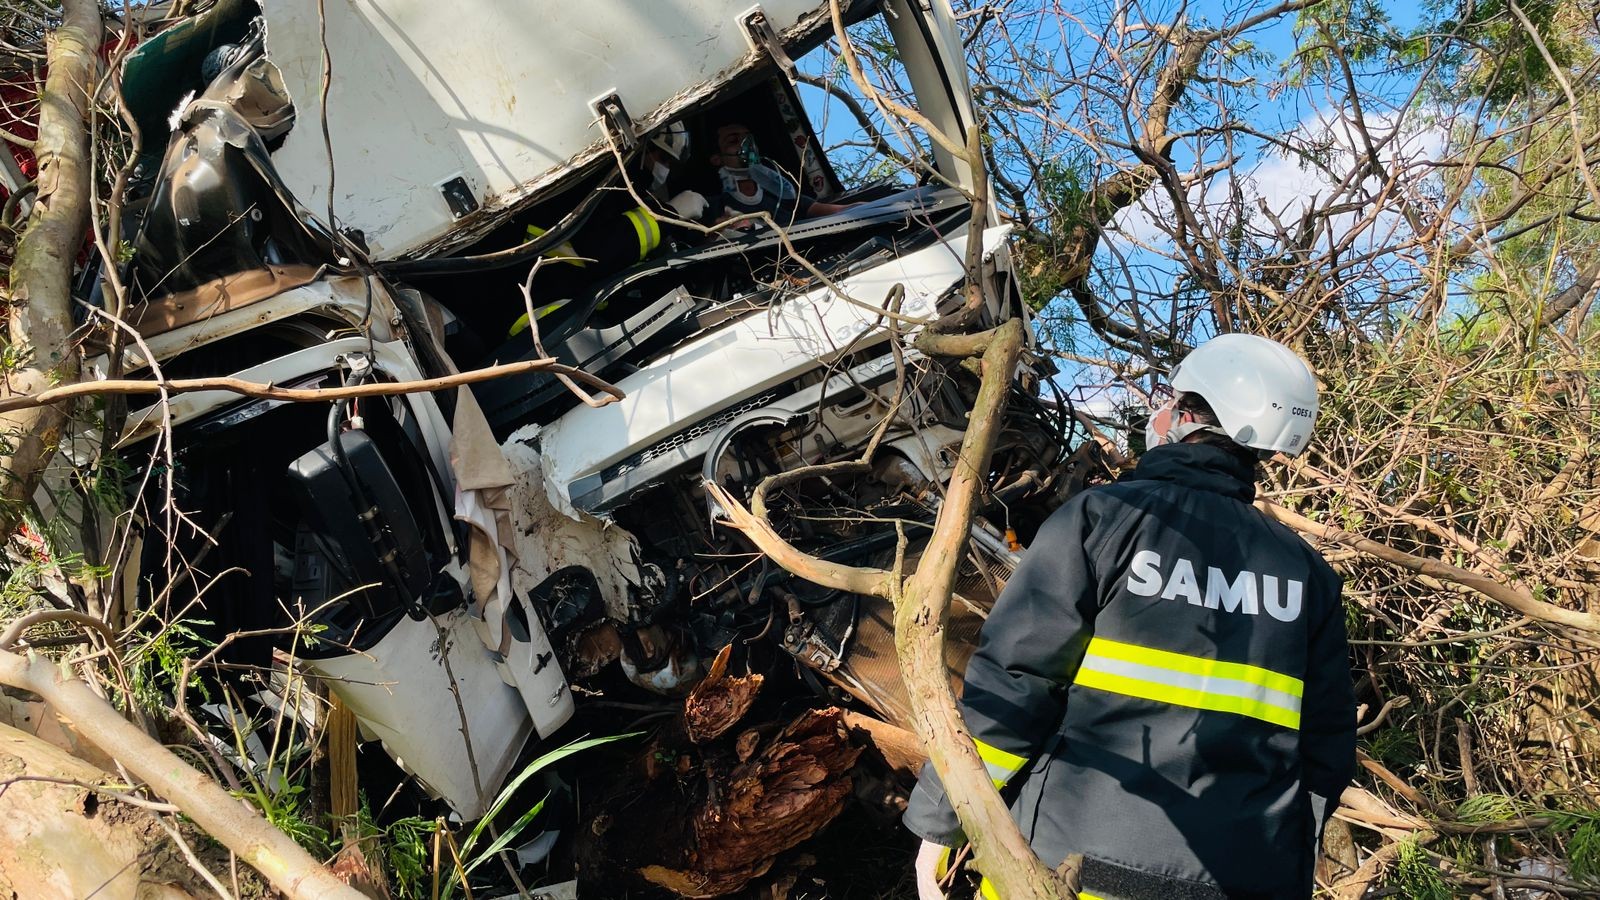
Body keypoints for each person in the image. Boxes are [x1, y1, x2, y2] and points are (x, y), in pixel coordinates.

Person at [905, 333, 1356, 900]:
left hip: (1071, 869)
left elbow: (1018, 684)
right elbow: (1325, 751)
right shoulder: (1306, 574)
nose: (1160, 412)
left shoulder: (1101, 521)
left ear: (1186, 417)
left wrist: (943, 823)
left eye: (1172, 400)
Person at [708, 121, 853, 228]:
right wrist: (721, 233)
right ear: (717, 159)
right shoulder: (712, 206)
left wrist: (871, 205)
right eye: (733, 141)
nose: (746, 145)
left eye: (749, 139)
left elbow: (838, 211)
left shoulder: (781, 194)